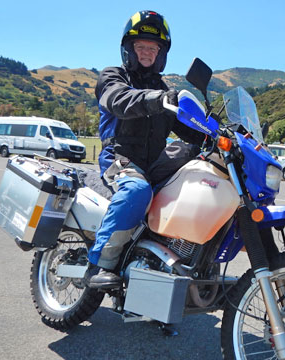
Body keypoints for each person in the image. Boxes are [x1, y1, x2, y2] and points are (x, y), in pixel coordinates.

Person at [86, 10, 204, 289]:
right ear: (129, 49)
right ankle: (98, 263)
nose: (148, 52)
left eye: (153, 48)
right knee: (137, 190)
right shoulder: (113, 76)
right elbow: (118, 100)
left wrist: (223, 133)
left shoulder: (165, 90)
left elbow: (189, 129)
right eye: (141, 47)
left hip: (152, 162)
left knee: (199, 176)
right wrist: (158, 99)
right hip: (120, 157)